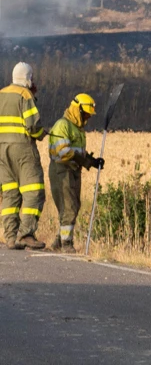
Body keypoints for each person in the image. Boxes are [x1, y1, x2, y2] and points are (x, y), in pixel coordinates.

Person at [47, 93, 105, 253]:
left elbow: (79, 152)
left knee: (74, 206)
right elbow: (64, 151)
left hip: (73, 170)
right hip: (62, 170)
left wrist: (93, 161)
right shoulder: (62, 125)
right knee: (69, 207)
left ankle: (59, 241)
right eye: (85, 113)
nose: (87, 117)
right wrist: (83, 160)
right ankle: (66, 244)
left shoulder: (78, 129)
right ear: (77, 110)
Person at [0, 62, 47, 250]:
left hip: (2, 150)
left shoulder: (1, 93)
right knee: (34, 190)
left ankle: (10, 237)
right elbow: (33, 126)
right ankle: (26, 234)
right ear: (27, 78)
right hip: (22, 148)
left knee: (10, 193)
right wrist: (42, 134)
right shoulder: (25, 95)